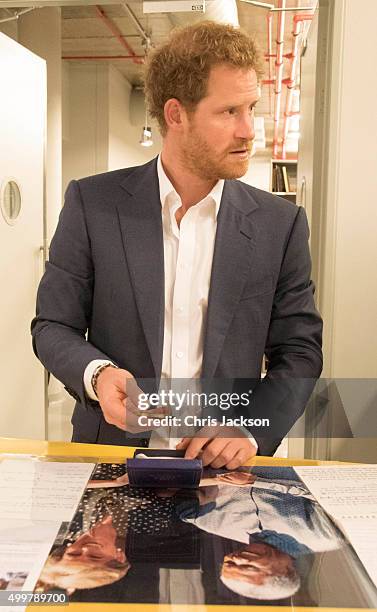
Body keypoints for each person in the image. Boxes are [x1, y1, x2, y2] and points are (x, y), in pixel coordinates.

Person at [31, 21, 323, 463]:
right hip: (108, 458)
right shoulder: (93, 204)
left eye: (251, 108)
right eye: (229, 112)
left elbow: (299, 351)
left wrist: (250, 428)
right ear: (176, 115)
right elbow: (53, 325)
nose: (249, 130)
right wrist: (98, 374)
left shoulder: (279, 225)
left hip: (222, 471)